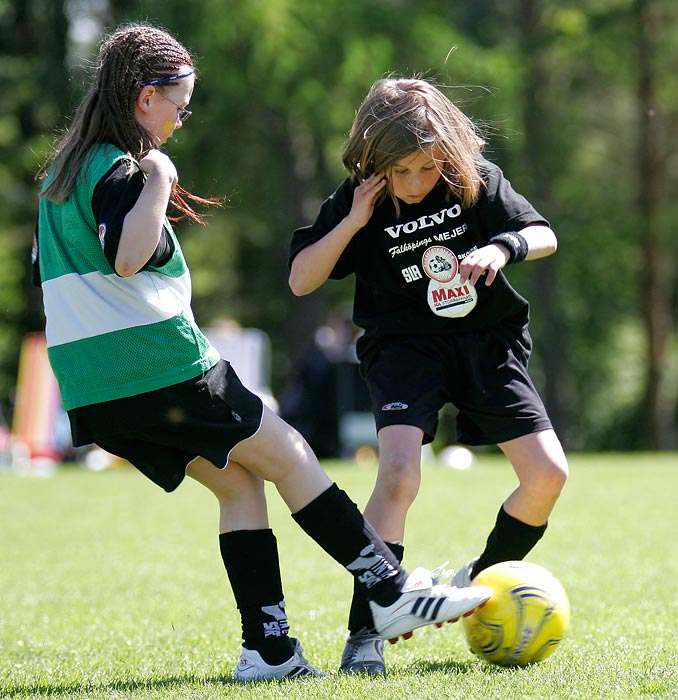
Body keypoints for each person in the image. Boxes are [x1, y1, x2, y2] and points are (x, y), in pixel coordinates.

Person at [33, 30, 492, 683]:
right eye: (178, 105)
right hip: (159, 369)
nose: (181, 119)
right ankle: (391, 594)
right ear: (144, 98)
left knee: (239, 482)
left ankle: (269, 652)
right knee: (293, 457)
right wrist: (158, 178)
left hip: (92, 389)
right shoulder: (123, 168)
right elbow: (128, 255)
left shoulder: (60, 178)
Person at [288, 77, 569, 675]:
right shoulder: (359, 196)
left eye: (424, 168)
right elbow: (301, 279)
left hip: (485, 342)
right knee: (397, 476)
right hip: (403, 350)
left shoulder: (475, 179)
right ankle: (365, 635)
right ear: (372, 160)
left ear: (446, 152)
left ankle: (479, 583)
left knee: (547, 475)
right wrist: (353, 221)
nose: (414, 184)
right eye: (400, 171)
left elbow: (544, 233)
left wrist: (502, 248)